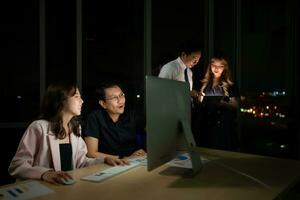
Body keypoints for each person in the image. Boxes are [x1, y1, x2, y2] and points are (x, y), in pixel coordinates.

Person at [8, 81, 126, 185]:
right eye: (76, 96)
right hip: (41, 190)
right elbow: (17, 166)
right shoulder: (39, 127)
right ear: (61, 100)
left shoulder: (75, 129)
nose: (82, 101)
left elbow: (82, 163)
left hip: (66, 188)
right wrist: (45, 174)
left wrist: (104, 160)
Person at [83, 82, 146, 159]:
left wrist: (144, 150)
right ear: (103, 104)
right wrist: (123, 158)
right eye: (114, 98)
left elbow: (151, 130)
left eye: (121, 95)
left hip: (134, 162)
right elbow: (91, 153)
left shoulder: (131, 114)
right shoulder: (95, 117)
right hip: (107, 165)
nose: (120, 101)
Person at [195, 54, 240, 151]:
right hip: (206, 124)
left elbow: (235, 105)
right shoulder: (205, 83)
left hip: (223, 125)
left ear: (225, 68)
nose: (216, 68)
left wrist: (222, 103)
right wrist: (200, 99)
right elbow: (199, 103)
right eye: (214, 65)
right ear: (210, 66)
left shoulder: (230, 83)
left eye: (220, 66)